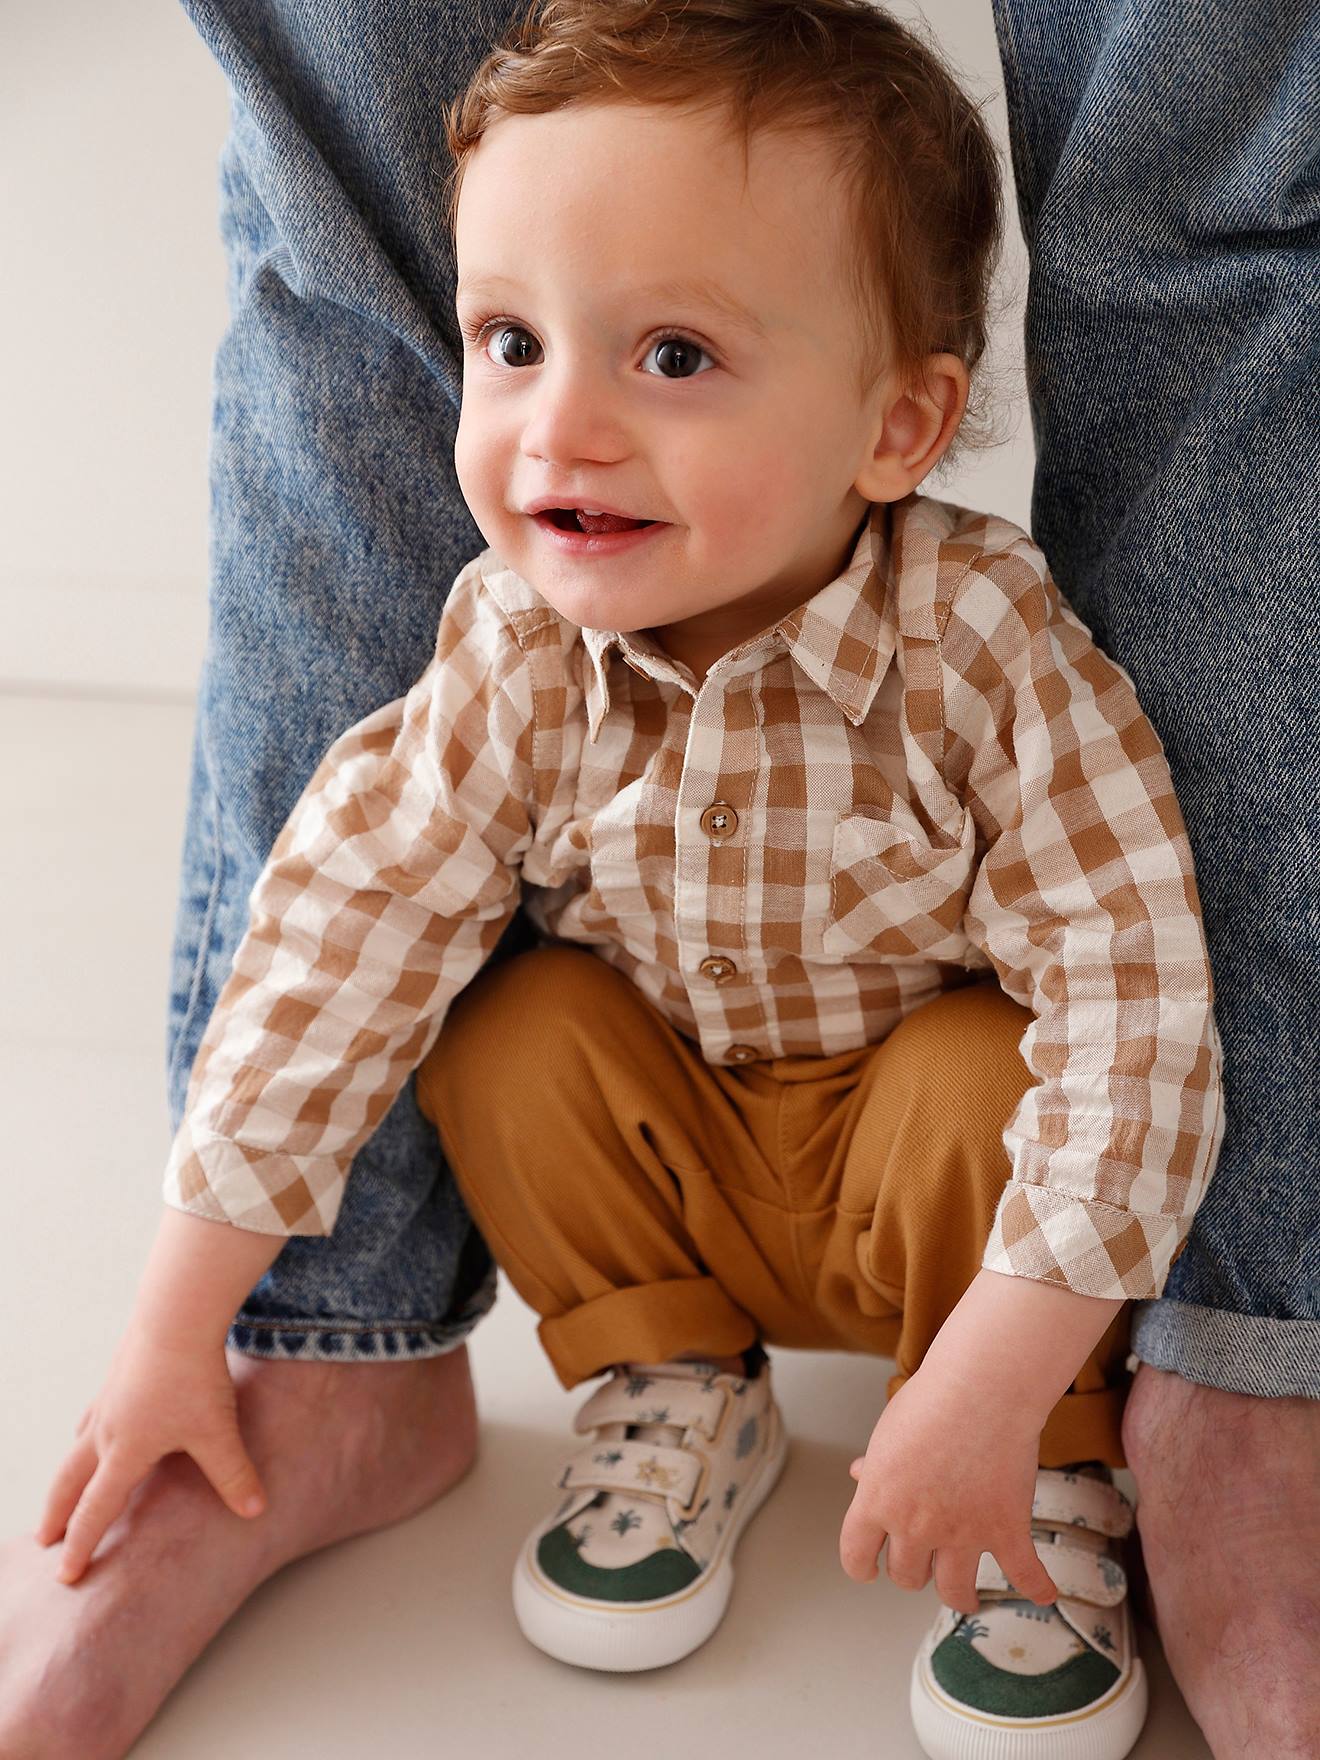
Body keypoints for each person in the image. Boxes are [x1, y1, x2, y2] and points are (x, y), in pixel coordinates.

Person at [0, 1, 1313, 1757]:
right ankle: (673, 1377)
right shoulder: (513, 646)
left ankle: (1048, 1453)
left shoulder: (986, 643)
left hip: (935, 1204)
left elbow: (1133, 1005)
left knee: (980, 1075)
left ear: (901, 424)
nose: (561, 428)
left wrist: (1001, 1372)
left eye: (674, 356)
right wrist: (177, 1327)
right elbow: (338, 940)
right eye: (510, 340)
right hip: (678, 1160)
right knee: (507, 1031)